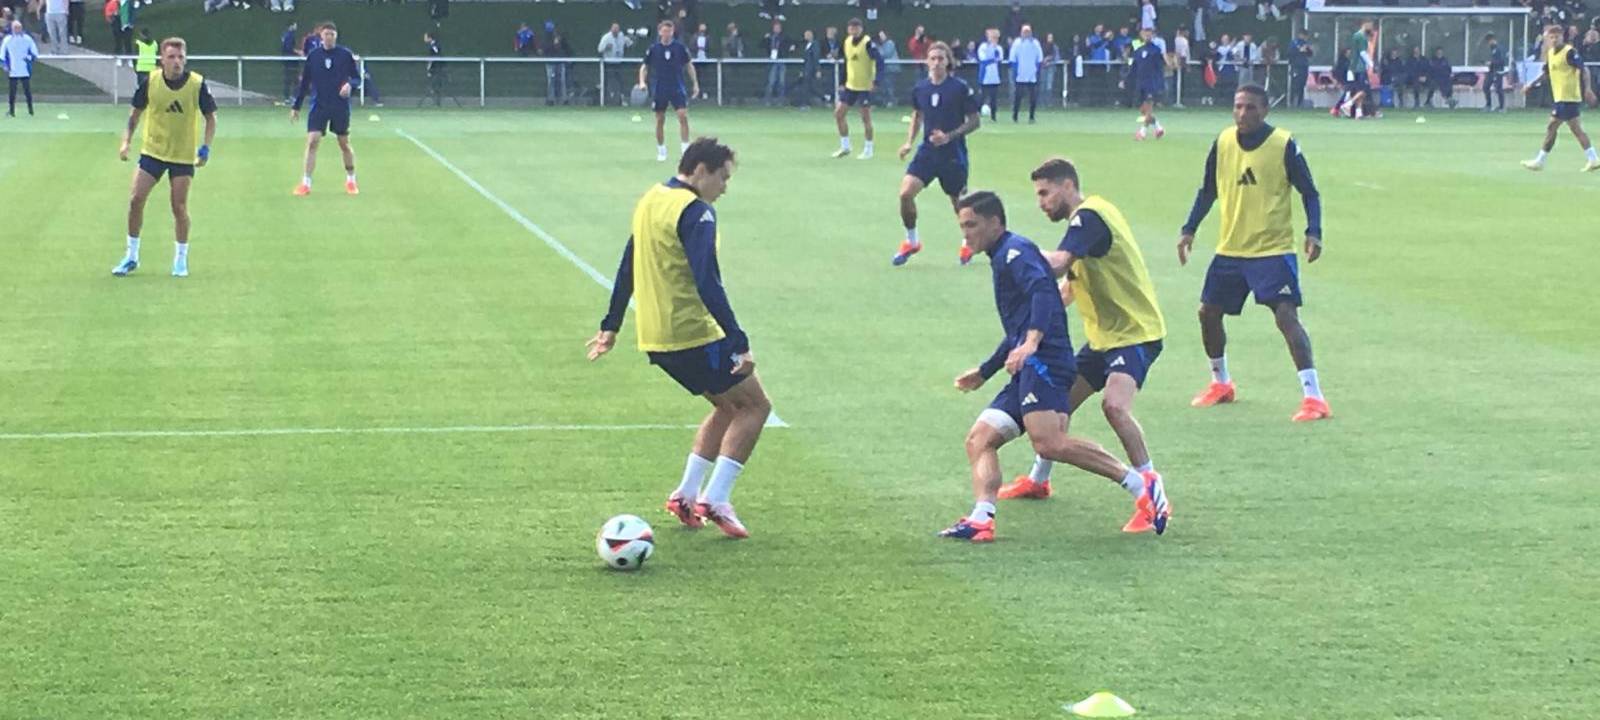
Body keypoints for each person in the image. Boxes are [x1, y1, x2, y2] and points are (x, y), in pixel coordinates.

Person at [938, 191, 1171, 543]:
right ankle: (981, 519)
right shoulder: (1006, 255)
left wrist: (1032, 343)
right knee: (979, 439)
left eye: (971, 225)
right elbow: (1024, 320)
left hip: (1054, 359)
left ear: (995, 223)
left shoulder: (1017, 253)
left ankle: (1142, 486)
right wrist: (985, 371)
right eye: (962, 226)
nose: (965, 234)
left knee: (1052, 440)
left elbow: (1045, 295)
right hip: (1040, 359)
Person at [589, 137, 770, 540]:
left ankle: (687, 495)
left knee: (726, 406)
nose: (725, 187)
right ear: (701, 171)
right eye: (722, 178)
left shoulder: (651, 199)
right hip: (692, 332)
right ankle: (716, 498)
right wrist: (738, 339)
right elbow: (708, 280)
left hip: (656, 338)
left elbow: (628, 263)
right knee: (756, 406)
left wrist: (612, 324)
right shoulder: (696, 212)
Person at [1000, 158, 1171, 535]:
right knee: (1057, 403)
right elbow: (1069, 285)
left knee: (1114, 406)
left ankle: (1151, 491)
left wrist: (1015, 253)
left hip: (1135, 334)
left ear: (1066, 186)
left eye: (1045, 193)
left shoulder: (1088, 217)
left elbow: (1059, 264)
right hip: (1104, 338)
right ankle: (1039, 480)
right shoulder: (1087, 224)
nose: (1041, 202)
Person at [1179, 85, 1329, 422]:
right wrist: (1189, 228)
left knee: (1286, 317)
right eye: (1238, 107)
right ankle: (1221, 383)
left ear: (1264, 110)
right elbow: (1207, 191)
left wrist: (1314, 232)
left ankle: (1314, 397)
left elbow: (1310, 192)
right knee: (1208, 313)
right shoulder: (1222, 143)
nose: (1242, 114)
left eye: (1250, 107)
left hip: (1272, 249)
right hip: (1231, 249)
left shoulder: (1284, 145)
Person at [112, 37, 216, 278]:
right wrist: (126, 141)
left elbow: (211, 118)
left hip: (182, 154)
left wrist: (205, 148)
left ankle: (180, 260)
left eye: (181, 57)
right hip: (153, 151)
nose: (177, 62)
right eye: (171, 57)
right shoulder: (151, 81)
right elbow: (135, 114)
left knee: (178, 207)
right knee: (136, 199)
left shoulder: (197, 84)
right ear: (162, 60)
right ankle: (131, 255)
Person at [894, 42, 981, 267]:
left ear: (948, 62)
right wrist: (908, 143)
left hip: (953, 154)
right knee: (905, 194)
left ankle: (968, 243)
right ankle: (911, 241)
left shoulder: (959, 88)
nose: (936, 63)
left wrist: (950, 136)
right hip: (927, 153)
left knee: (959, 205)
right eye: (932, 58)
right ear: (927, 62)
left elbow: (974, 121)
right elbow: (917, 115)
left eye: (940, 59)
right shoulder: (920, 88)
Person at [289, 22, 360, 196]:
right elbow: (305, 83)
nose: (329, 37)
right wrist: (296, 106)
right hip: (319, 105)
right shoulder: (313, 56)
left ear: (336, 36)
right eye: (326, 34)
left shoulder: (345, 55)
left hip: (339, 106)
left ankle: (351, 180)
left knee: (344, 143)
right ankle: (306, 183)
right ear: (321, 37)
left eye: (332, 34)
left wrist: (350, 85)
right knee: (312, 141)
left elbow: (357, 79)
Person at [1521, 24, 1599, 172]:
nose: (1554, 39)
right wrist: (1531, 84)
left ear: (1562, 37)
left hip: (1568, 98)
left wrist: (1588, 89)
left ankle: (1540, 161)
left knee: (1552, 127)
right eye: (1551, 37)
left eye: (1557, 36)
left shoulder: (1569, 52)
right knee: (1574, 129)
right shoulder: (1550, 54)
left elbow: (1584, 69)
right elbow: (1546, 73)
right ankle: (1593, 158)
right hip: (1561, 98)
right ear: (1548, 39)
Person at [638, 19, 699, 162]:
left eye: (669, 31)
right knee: (660, 119)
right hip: (660, 88)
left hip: (677, 87)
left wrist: (695, 83)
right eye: (664, 31)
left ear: (673, 32)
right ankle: (661, 150)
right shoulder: (654, 49)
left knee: (683, 116)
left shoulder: (680, 48)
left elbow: (689, 65)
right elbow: (644, 67)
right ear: (660, 32)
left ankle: (685, 150)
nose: (667, 34)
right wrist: (642, 82)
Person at [832, 18, 878, 159]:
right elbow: (847, 62)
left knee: (865, 118)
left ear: (861, 29)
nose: (854, 30)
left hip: (865, 86)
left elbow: (880, 62)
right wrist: (843, 81)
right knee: (839, 114)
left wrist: (876, 81)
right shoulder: (846, 42)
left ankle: (868, 149)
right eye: (851, 28)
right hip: (851, 86)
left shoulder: (868, 43)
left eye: (856, 27)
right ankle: (845, 146)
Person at [1130, 26, 1165, 139]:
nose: (1147, 36)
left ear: (1153, 36)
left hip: (1152, 83)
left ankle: (1142, 132)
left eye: (1150, 34)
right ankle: (1158, 127)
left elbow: (1159, 69)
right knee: (1143, 110)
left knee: (1149, 107)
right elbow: (1134, 67)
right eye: (1146, 34)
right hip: (1141, 83)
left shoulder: (1156, 50)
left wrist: (1160, 84)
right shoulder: (1138, 50)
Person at [1, 19, 35, 117]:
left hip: (24, 69)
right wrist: (4, 65)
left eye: (19, 27)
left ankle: (31, 110)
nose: (17, 29)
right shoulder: (8, 40)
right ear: (12, 28)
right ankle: (11, 111)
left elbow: (34, 53)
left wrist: (27, 58)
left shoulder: (27, 39)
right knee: (12, 92)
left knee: (27, 91)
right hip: (13, 70)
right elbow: (2, 55)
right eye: (15, 27)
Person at [1009, 24, 1041, 123]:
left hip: (1032, 75)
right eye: (1025, 31)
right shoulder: (1017, 43)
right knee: (1018, 97)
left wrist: (1037, 70)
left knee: (1033, 98)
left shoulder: (1035, 43)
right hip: (1020, 75)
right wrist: (1015, 72)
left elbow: (1039, 58)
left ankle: (1031, 116)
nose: (1026, 34)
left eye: (1028, 32)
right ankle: (1015, 116)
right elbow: (1012, 58)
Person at [598, 23, 632, 106]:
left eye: (617, 30)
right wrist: (606, 48)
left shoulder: (622, 36)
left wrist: (632, 39)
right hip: (609, 63)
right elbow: (599, 49)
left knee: (620, 81)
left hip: (619, 63)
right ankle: (606, 100)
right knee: (608, 82)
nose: (616, 32)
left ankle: (621, 99)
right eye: (614, 30)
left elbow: (630, 44)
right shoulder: (606, 37)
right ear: (611, 29)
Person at [975, 28, 1002, 120]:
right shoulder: (983, 47)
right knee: (982, 96)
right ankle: (977, 114)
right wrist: (992, 59)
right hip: (985, 76)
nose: (994, 40)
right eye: (993, 37)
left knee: (993, 98)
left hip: (995, 77)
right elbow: (983, 59)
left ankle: (993, 116)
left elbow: (999, 58)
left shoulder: (998, 48)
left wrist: (993, 57)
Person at [761, 21, 787, 106]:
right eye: (775, 27)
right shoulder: (769, 37)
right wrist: (765, 38)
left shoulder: (784, 37)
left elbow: (790, 45)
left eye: (778, 27)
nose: (777, 29)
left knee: (781, 82)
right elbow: (761, 45)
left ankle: (781, 101)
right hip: (772, 62)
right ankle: (767, 100)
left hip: (781, 61)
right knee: (770, 82)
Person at [280, 22, 301, 105]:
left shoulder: (285, 35)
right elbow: (289, 48)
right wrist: (298, 52)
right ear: (291, 26)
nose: (296, 26)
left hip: (287, 61)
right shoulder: (290, 35)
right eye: (295, 25)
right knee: (294, 79)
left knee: (288, 80)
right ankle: (292, 98)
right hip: (291, 61)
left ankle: (288, 98)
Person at [1484, 33, 1507, 112]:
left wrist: (1491, 63)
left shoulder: (1499, 48)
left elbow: (1501, 61)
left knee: (1498, 89)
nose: (1488, 44)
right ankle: (1488, 105)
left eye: (1489, 41)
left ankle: (1502, 107)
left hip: (1498, 71)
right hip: (1492, 71)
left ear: (1492, 40)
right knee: (1486, 87)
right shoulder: (1492, 48)